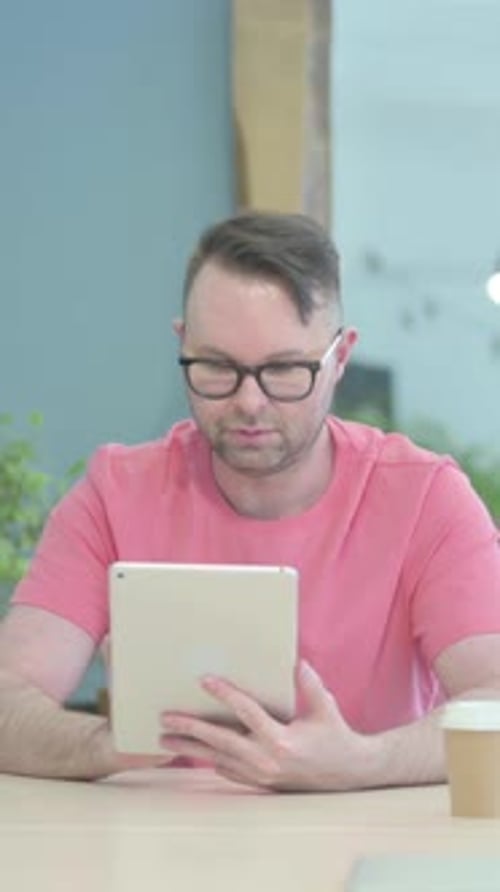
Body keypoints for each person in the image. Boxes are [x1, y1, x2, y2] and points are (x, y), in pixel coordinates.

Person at [1, 212, 500, 791]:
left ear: (341, 358)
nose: (249, 402)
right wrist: (105, 744)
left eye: (285, 369)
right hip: (165, 853)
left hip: (364, 849)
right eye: (216, 367)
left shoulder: (424, 496)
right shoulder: (117, 492)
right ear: (181, 343)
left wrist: (360, 762)